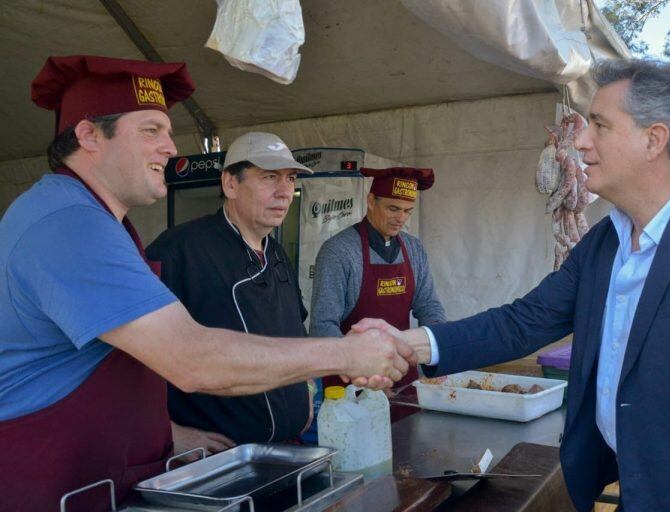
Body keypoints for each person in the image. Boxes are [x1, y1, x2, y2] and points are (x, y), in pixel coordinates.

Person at [0, 55, 413, 511]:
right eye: (151, 131)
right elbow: (190, 358)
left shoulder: (96, 220)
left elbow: (120, 356)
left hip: (103, 476)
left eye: (168, 132)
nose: (170, 149)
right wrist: (346, 353)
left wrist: (167, 432)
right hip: (54, 483)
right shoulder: (69, 223)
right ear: (89, 135)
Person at [355, 59, 670, 511]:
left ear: (654, 139)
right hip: (631, 487)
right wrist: (411, 343)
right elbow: (523, 321)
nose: (582, 143)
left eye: (600, 126)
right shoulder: (605, 241)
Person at [146, 132, 315, 452]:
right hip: (220, 459)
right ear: (230, 184)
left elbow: (296, 330)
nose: (284, 192)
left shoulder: (277, 253)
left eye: (290, 178)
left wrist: (305, 388)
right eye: (269, 177)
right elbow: (127, 361)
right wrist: (169, 432)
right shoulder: (178, 250)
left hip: (286, 448)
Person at [310, 167, 446, 421]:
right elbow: (322, 326)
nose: (401, 219)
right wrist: (363, 373)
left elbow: (429, 307)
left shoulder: (414, 249)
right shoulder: (339, 251)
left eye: (407, 211)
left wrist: (442, 355)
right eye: (393, 209)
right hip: (352, 387)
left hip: (403, 382)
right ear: (371, 201)